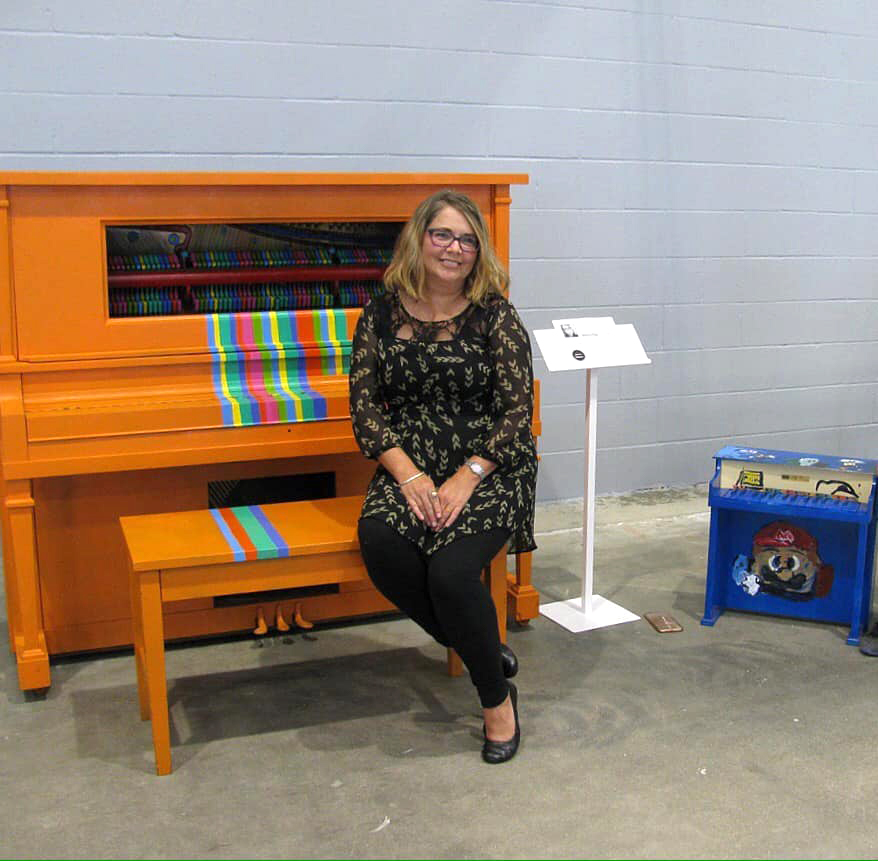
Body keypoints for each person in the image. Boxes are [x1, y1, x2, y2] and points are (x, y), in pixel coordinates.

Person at [349, 189, 538, 764]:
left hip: (489, 466)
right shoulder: (380, 314)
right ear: (419, 239)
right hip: (410, 464)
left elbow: (515, 413)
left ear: (479, 252)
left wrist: (467, 475)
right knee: (381, 545)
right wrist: (407, 476)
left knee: (453, 575)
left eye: (467, 239)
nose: (454, 249)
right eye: (443, 235)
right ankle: (481, 649)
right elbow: (366, 407)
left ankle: (495, 701)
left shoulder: (496, 316)